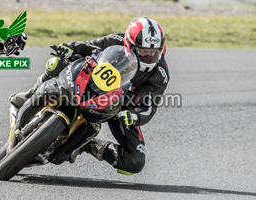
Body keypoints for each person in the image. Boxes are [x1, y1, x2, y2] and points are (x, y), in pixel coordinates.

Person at [10, 17, 169, 175]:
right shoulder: (116, 40)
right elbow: (90, 46)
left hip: (120, 106)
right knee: (56, 62)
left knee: (135, 162)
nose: (148, 56)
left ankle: (87, 145)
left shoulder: (160, 75)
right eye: (143, 51)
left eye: (153, 52)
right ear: (130, 44)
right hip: (93, 80)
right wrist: (70, 48)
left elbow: (149, 107)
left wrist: (134, 117)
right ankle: (31, 93)